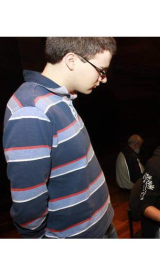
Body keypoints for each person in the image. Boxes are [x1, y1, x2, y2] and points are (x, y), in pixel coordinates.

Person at [3, 37, 117, 238]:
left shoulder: (59, 98)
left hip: (101, 226)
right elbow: (28, 204)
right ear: (71, 61)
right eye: (101, 70)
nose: (104, 78)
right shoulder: (30, 111)